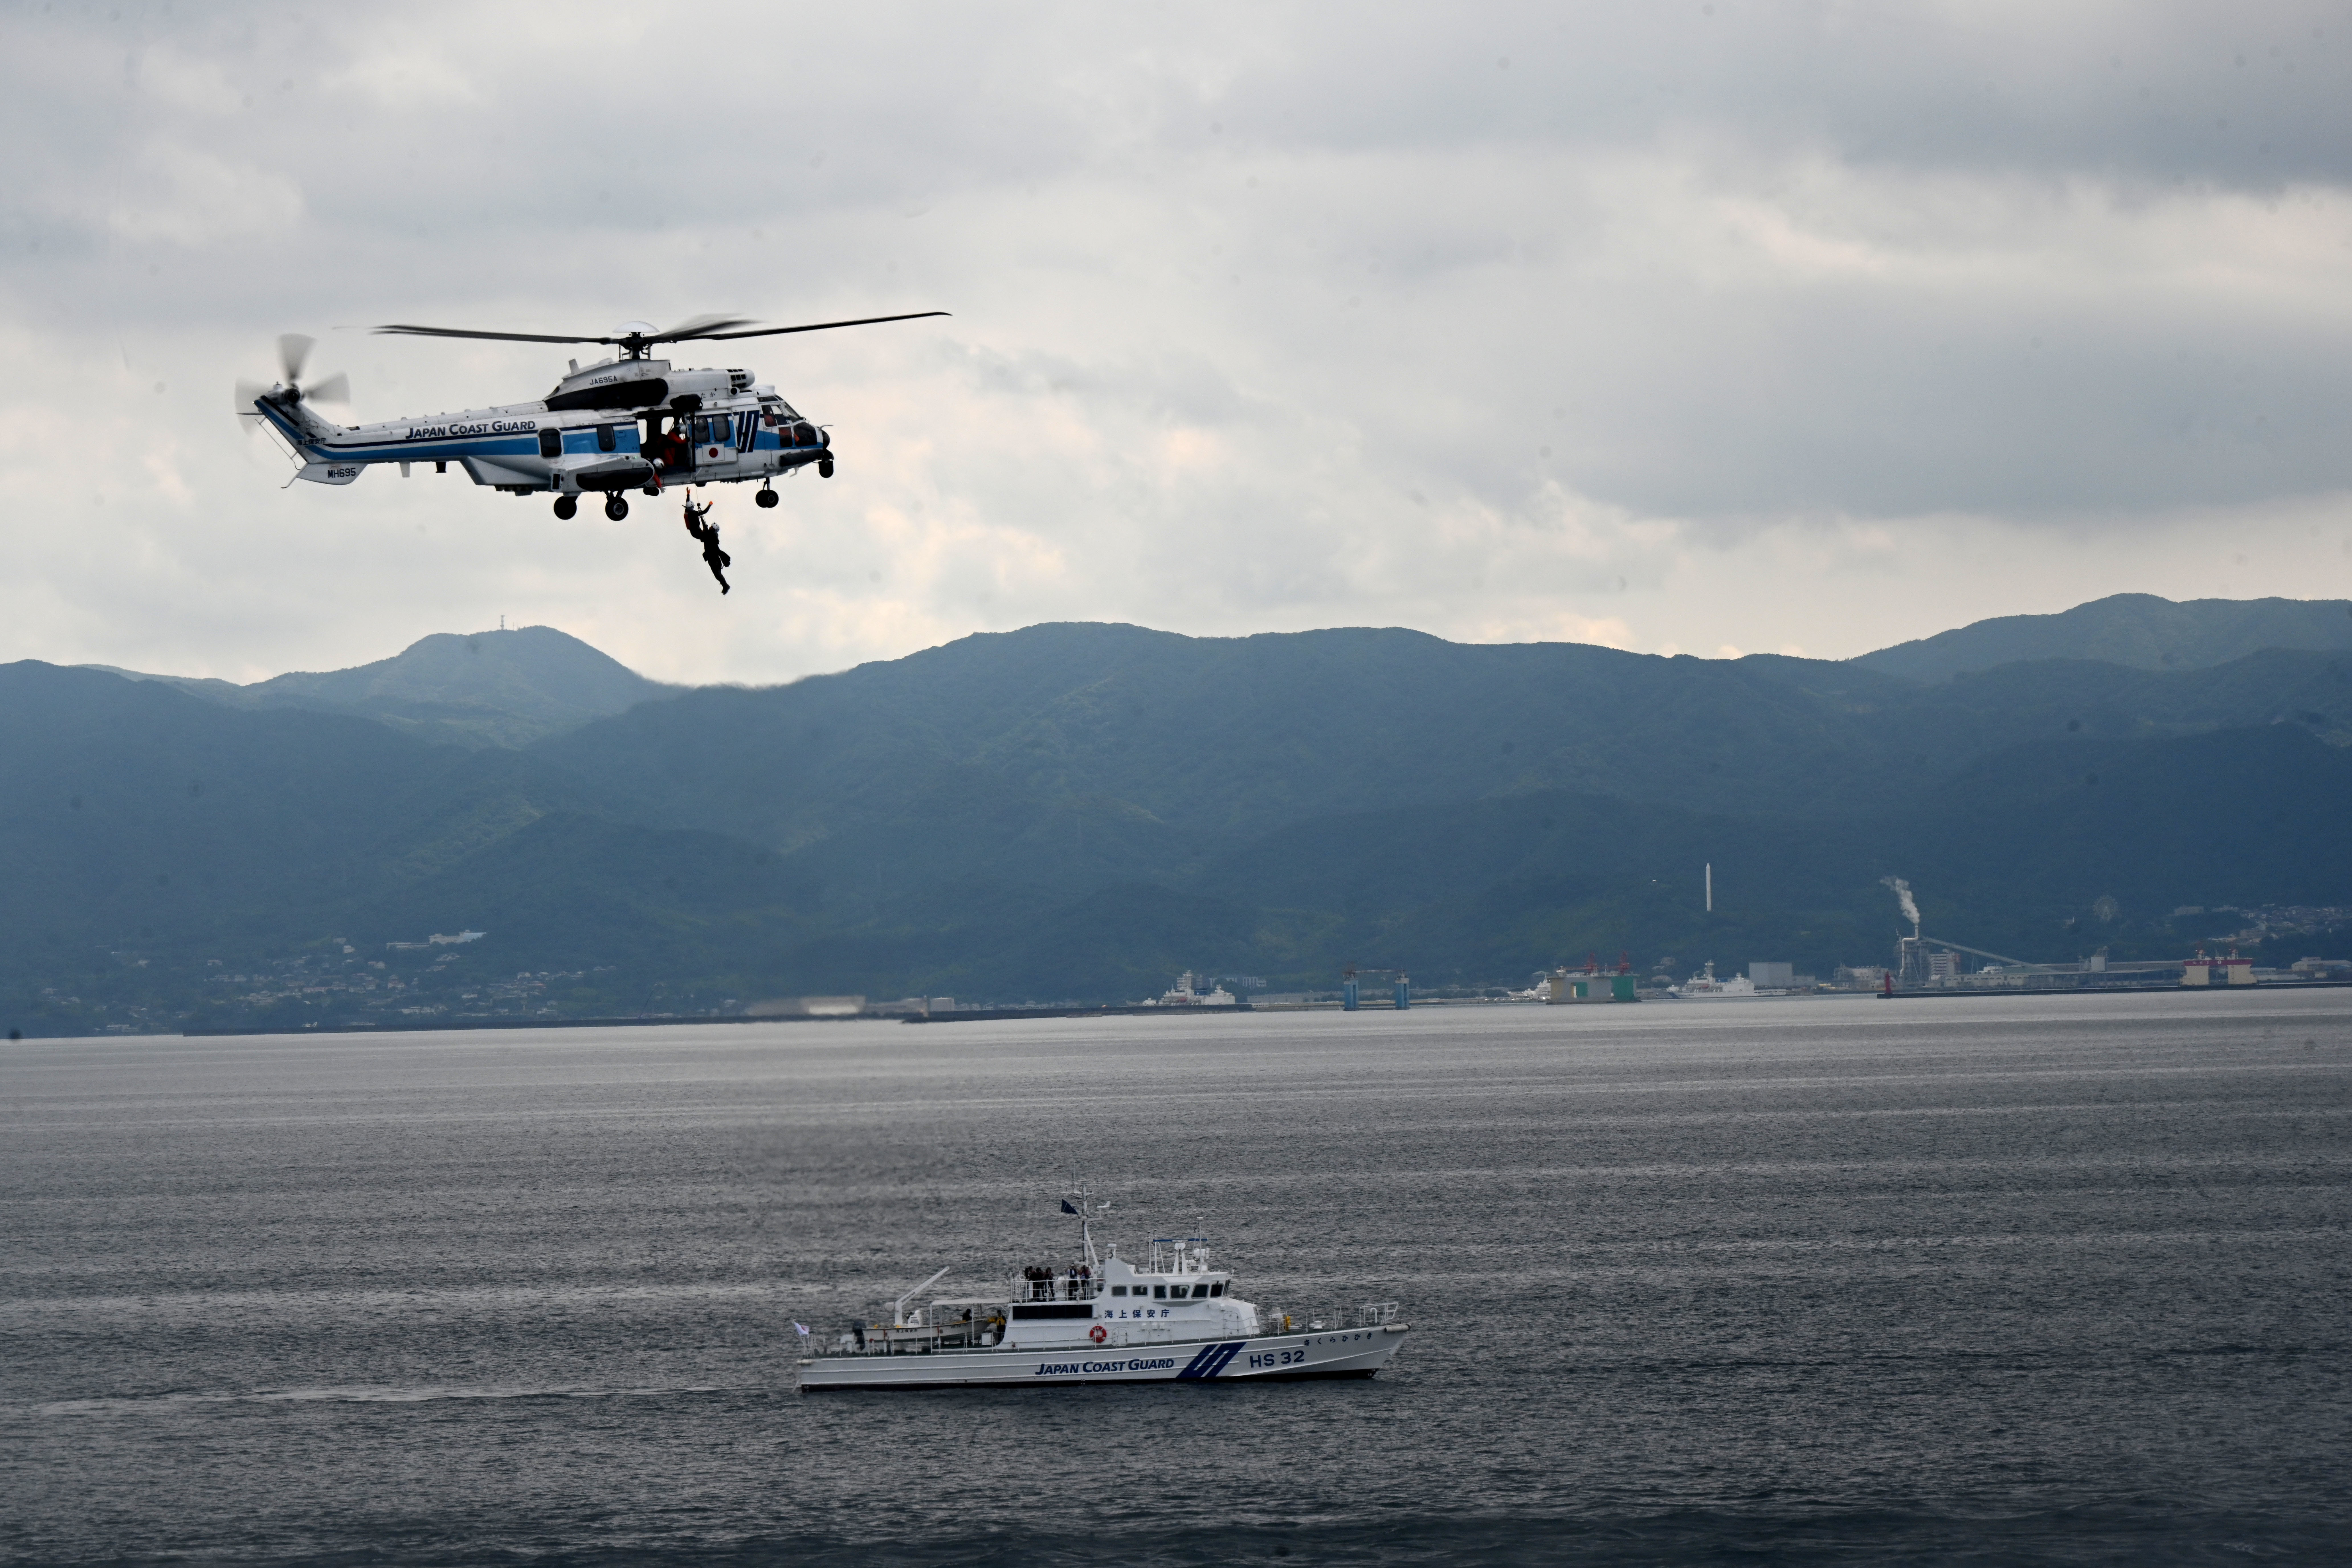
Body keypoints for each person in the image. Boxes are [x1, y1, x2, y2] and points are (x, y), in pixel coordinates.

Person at [680, 493, 730, 593]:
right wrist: (702, 519)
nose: (711, 527)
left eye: (712, 527)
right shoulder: (710, 534)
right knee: (717, 575)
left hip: (714, 558)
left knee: (718, 575)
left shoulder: (711, 535)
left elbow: (705, 532)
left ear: (714, 530)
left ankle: (726, 586)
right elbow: (705, 530)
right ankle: (725, 586)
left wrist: (709, 505)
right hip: (712, 558)